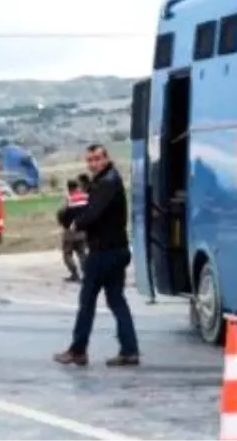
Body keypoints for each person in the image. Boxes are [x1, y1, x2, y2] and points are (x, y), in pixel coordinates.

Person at [53, 144, 140, 367]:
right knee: (116, 299)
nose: (93, 163)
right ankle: (129, 350)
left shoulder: (107, 182)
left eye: (97, 159)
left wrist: (74, 223)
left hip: (104, 252)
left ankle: (78, 350)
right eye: (90, 160)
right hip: (116, 249)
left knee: (87, 301)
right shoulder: (107, 180)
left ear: (106, 158)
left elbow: (93, 212)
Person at [57, 178, 89, 282]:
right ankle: (87, 275)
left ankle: (74, 274)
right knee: (82, 253)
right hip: (83, 230)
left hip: (70, 231)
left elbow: (62, 213)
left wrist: (63, 224)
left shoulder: (68, 198)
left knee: (67, 254)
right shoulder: (85, 197)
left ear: (68, 188)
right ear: (77, 186)